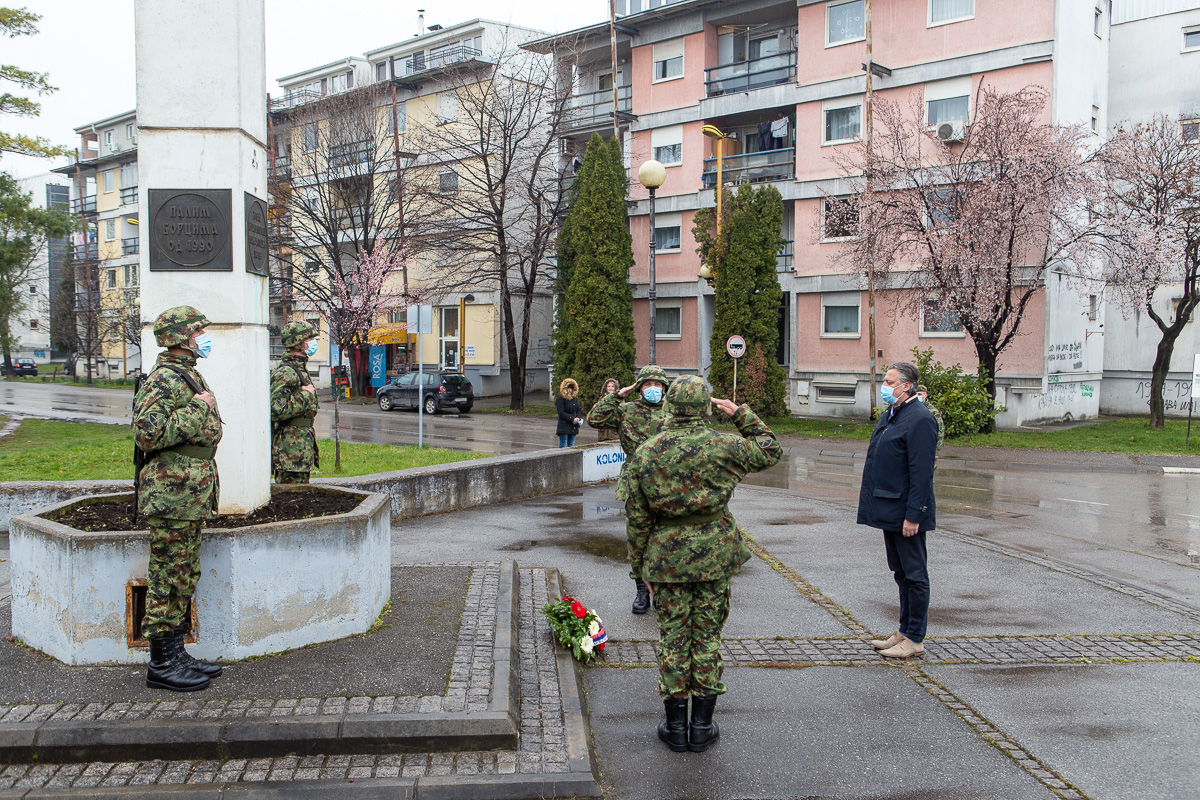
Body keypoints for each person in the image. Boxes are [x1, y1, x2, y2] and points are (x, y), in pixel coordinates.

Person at [625, 375, 782, 752]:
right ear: (705, 407)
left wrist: (640, 570)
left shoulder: (647, 451)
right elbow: (769, 449)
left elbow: (637, 519)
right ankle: (702, 727)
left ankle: (676, 728)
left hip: (665, 558)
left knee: (674, 640)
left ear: (670, 404)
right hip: (714, 555)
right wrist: (742, 415)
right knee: (707, 638)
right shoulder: (725, 445)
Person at [132, 306, 224, 692]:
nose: (205, 335)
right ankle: (160, 664)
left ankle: (175, 654)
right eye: (199, 329)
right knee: (167, 575)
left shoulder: (187, 374)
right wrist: (197, 408)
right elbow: (146, 434)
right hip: (170, 495)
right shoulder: (163, 379)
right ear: (181, 336)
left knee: (183, 573)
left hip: (186, 494)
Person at [857, 362, 939, 659]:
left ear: (906, 386)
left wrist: (914, 514)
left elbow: (921, 473)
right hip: (889, 507)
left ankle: (915, 637)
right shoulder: (894, 414)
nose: (885, 386)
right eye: (885, 380)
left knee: (915, 574)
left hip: (907, 512)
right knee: (901, 572)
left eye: (890, 382)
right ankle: (904, 631)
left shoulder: (920, 419)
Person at [586, 364, 671, 614]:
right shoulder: (626, 410)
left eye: (657, 385)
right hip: (637, 485)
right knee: (638, 538)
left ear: (664, 388)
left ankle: (663, 591)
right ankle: (642, 590)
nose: (653, 389)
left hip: (669, 485)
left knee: (667, 538)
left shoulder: (675, 412)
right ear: (639, 388)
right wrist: (617, 395)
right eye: (647, 385)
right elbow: (594, 419)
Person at [271, 321, 320, 483]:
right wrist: (305, 396)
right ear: (298, 343)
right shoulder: (286, 372)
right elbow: (275, 410)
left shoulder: (298, 368)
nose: (314, 342)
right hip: (290, 452)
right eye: (310, 338)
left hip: (299, 450)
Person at [916, 384, 945, 468]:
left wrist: (936, 451)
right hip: (915, 447)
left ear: (926, 395)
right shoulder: (912, 409)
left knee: (928, 472)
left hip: (928, 448)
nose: (918, 396)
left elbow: (940, 431)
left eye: (920, 394)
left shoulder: (933, 412)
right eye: (916, 394)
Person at [590, 378, 621, 443]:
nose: (611, 388)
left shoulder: (619, 399)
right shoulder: (601, 399)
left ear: (615, 388)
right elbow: (596, 412)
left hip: (614, 433)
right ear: (605, 388)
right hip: (602, 433)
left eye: (612, 386)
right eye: (609, 386)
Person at [555, 378, 583, 447]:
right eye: (568, 388)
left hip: (573, 426)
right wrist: (572, 419)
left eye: (571, 388)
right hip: (564, 426)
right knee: (563, 445)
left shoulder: (574, 399)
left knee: (572, 445)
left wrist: (578, 418)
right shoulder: (560, 400)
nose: (569, 390)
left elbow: (578, 410)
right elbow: (561, 413)